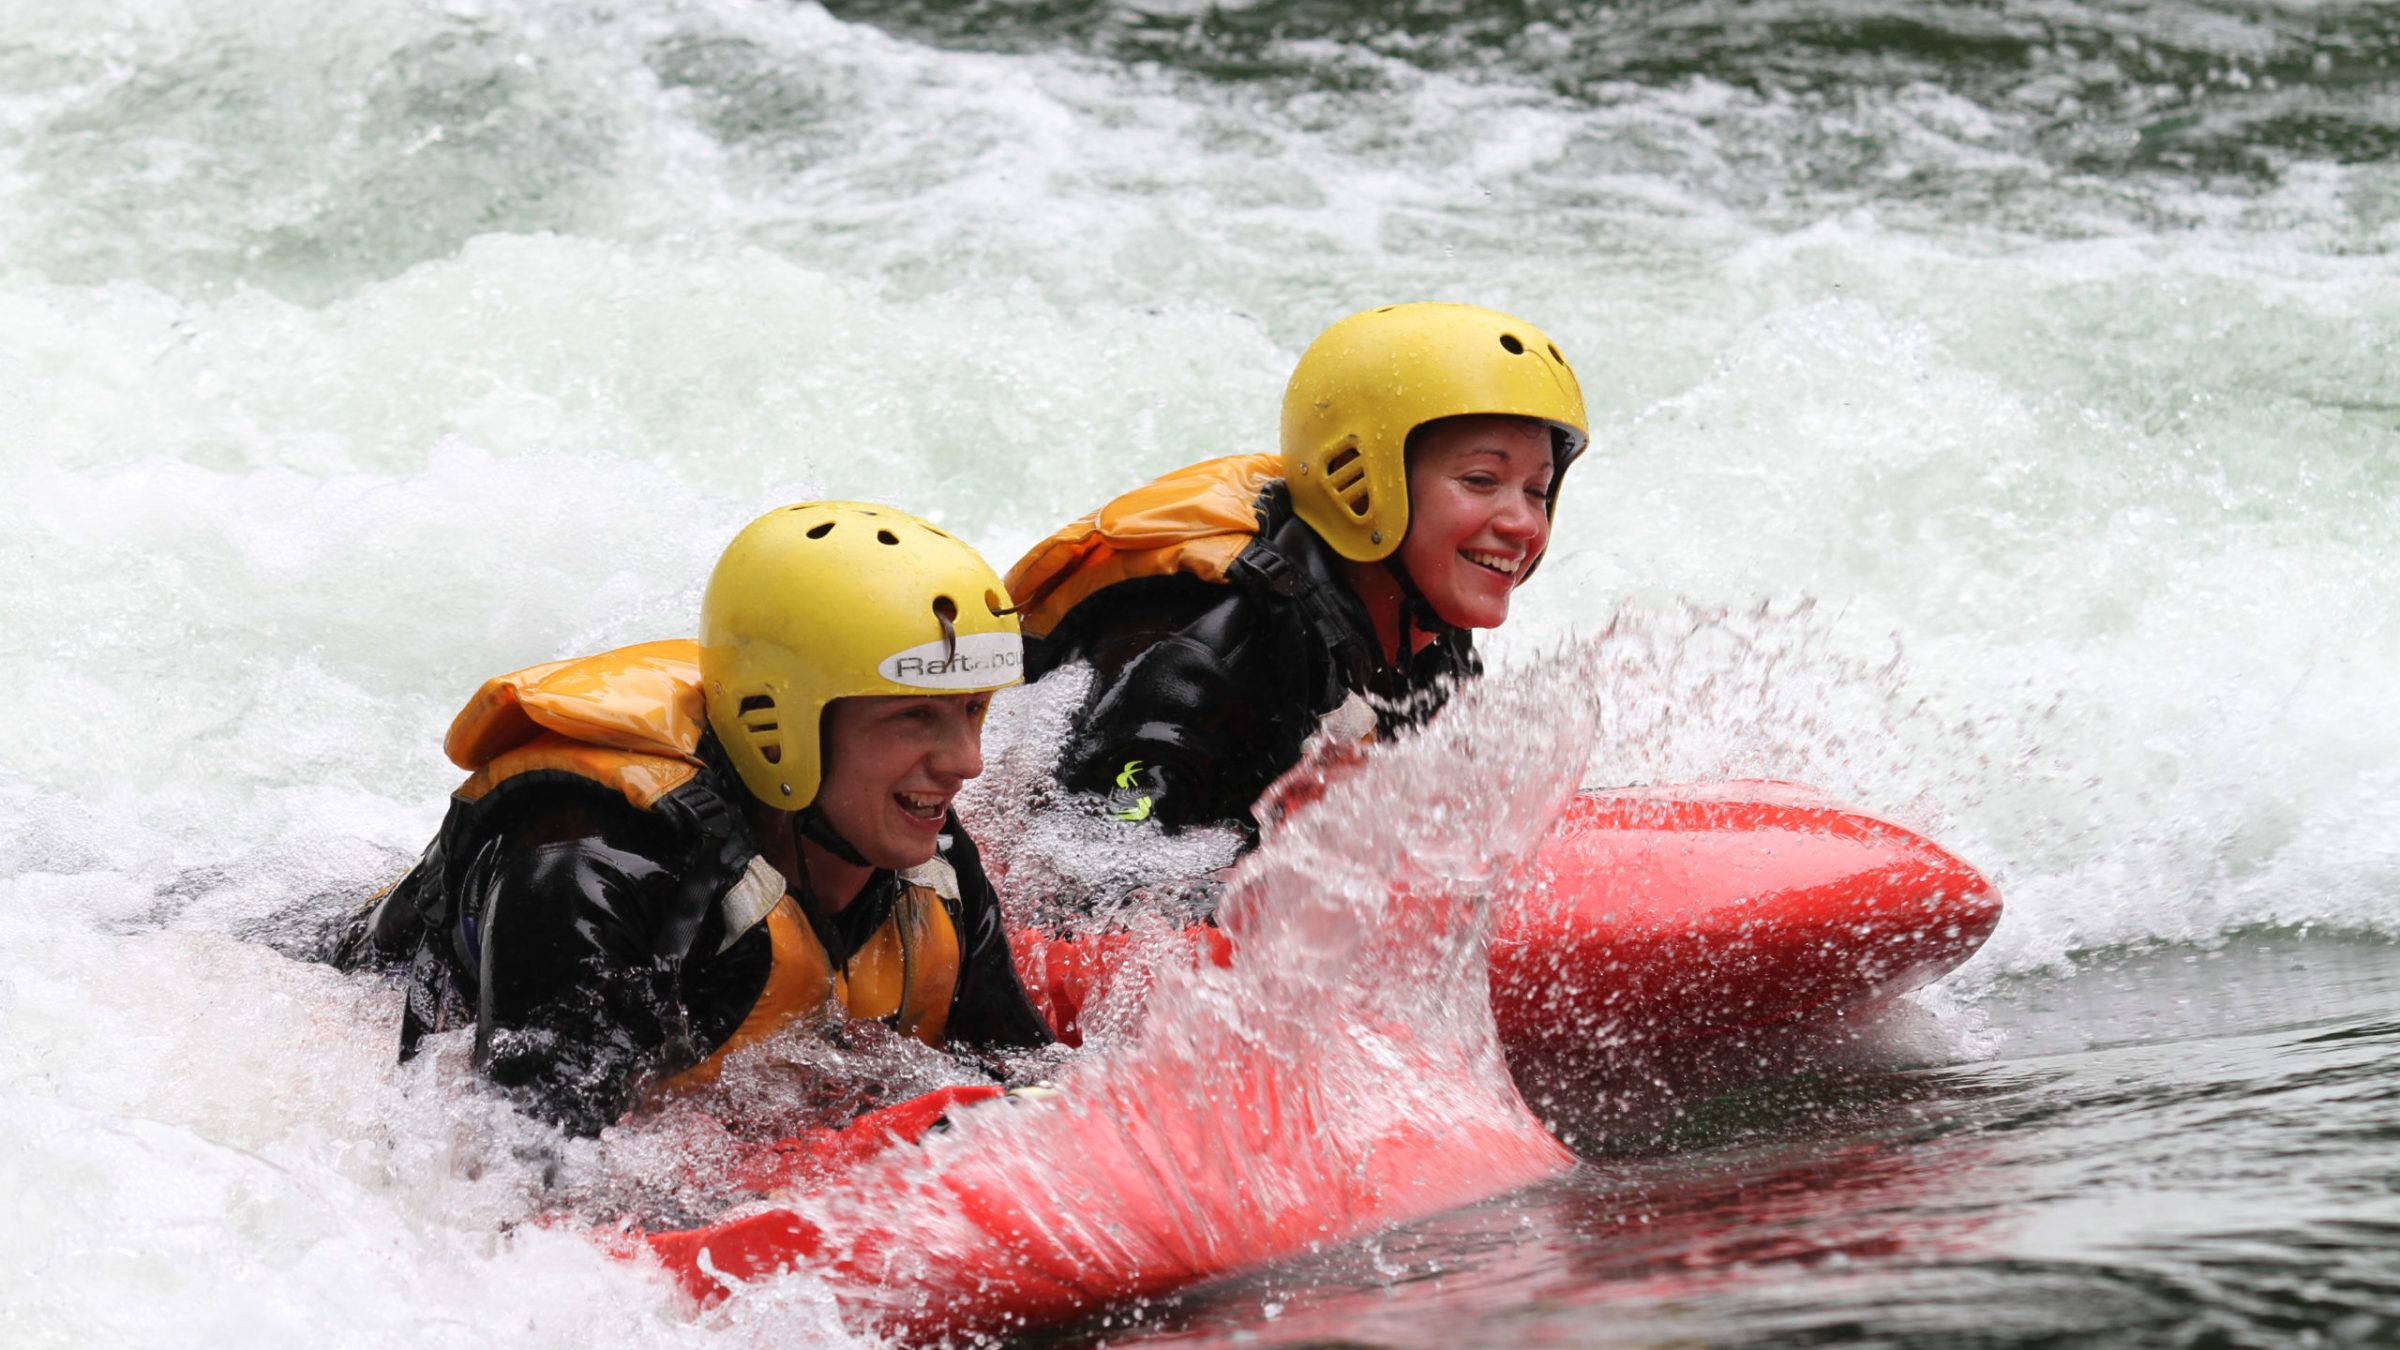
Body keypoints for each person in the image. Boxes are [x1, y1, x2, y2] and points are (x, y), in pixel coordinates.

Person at [337, 502, 1054, 1138]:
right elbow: (526, 1186)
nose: (968, 761)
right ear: (780, 725)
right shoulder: (590, 870)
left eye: (971, 709)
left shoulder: (930, 861)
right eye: (914, 716)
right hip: (317, 994)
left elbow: (1028, 1079)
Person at [1005, 302, 1589, 840]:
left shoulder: (1424, 619)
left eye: (1537, 490)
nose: (1523, 525)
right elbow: (1078, 878)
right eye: (1481, 480)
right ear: (1362, 478)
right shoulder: (1216, 653)